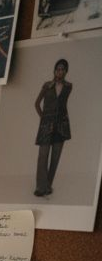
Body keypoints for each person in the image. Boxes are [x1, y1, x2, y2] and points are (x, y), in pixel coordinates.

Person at [34, 58, 72, 198]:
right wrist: (43, 118)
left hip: (61, 126)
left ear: (66, 71)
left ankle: (48, 186)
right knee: (43, 156)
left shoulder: (68, 87)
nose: (60, 71)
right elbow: (37, 104)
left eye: (62, 69)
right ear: (54, 71)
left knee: (55, 158)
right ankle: (40, 187)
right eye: (58, 69)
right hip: (46, 126)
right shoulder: (47, 85)